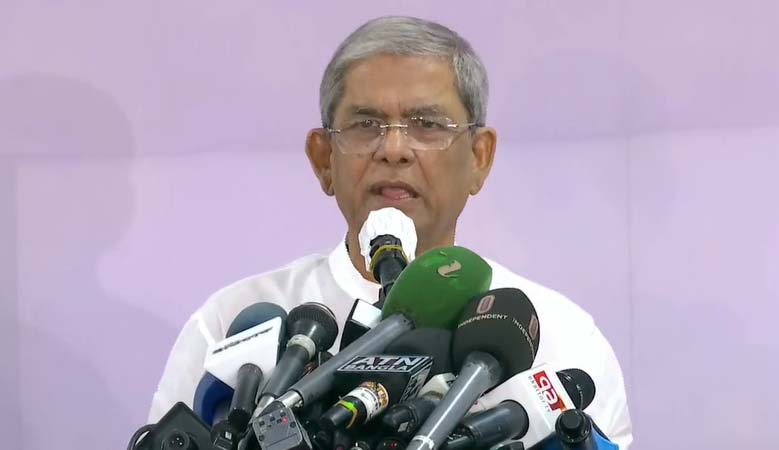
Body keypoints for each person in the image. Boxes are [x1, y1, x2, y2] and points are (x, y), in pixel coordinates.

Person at [148, 16, 633, 448]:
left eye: (427, 125)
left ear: (479, 158)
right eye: (366, 125)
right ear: (323, 160)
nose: (394, 149)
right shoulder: (231, 324)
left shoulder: (563, 338)